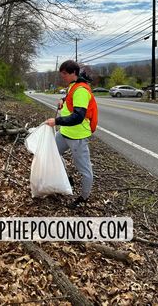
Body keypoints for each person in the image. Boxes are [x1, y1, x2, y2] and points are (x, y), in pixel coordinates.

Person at [45, 60, 94, 209]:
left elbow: (78, 116)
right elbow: (69, 100)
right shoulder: (73, 86)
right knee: (51, 153)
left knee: (84, 170)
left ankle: (83, 197)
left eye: (65, 74)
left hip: (77, 136)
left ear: (73, 73)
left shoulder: (81, 91)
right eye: (62, 74)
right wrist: (62, 101)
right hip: (65, 133)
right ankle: (66, 178)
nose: (63, 77)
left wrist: (57, 120)